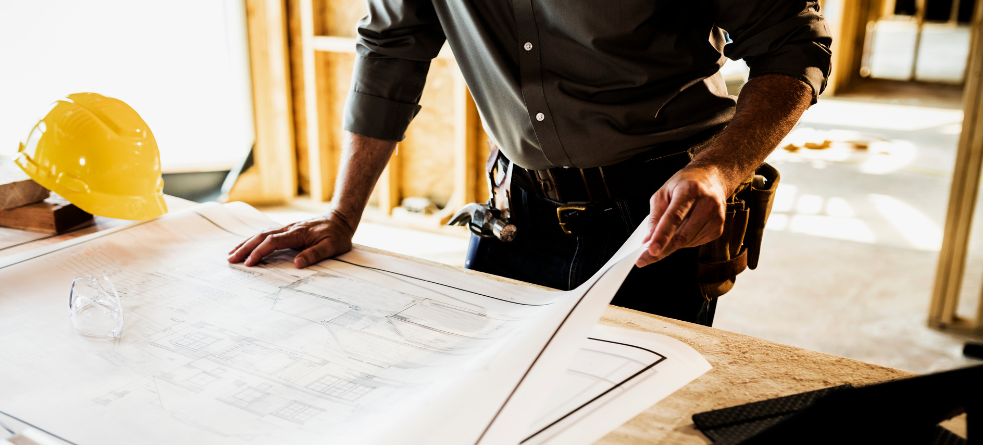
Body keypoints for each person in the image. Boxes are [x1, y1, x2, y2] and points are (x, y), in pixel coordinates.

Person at [228, 0, 831, 326]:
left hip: (659, 208)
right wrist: (342, 214)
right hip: (517, 209)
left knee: (630, 413)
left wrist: (722, 168)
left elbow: (795, 43)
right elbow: (392, 49)